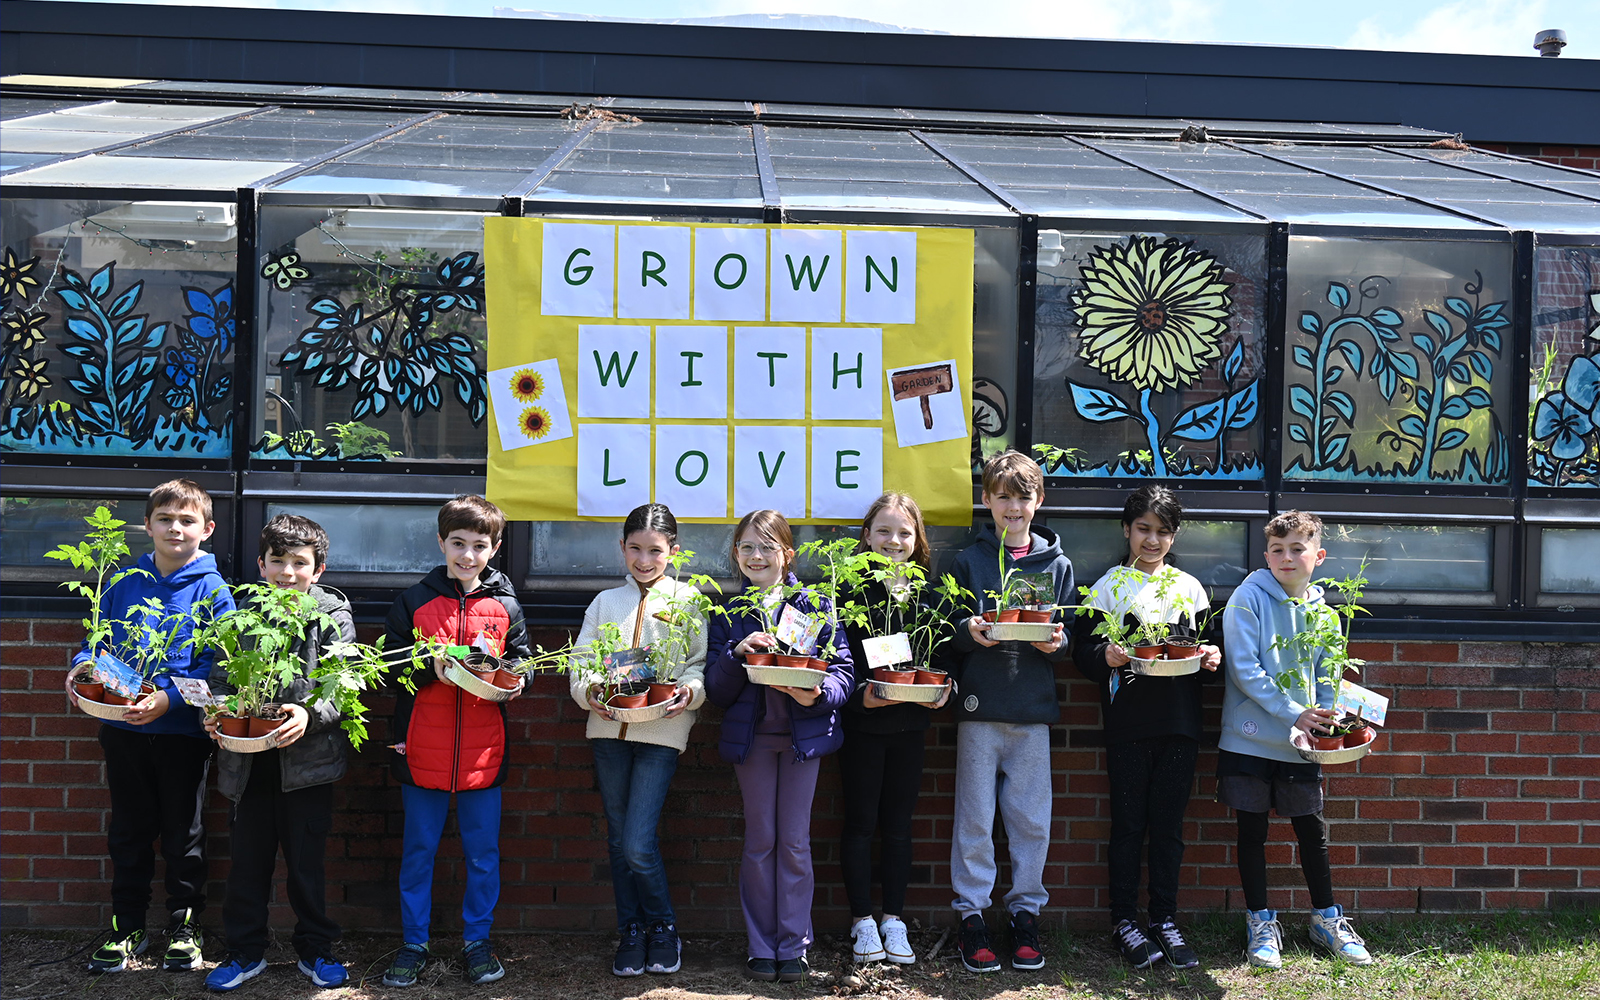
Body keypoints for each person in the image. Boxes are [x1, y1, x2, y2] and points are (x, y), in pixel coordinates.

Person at [67, 479, 235, 975]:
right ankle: (128, 924)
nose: (175, 528)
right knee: (129, 829)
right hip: (123, 729)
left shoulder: (214, 590)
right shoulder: (120, 582)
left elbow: (219, 668)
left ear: (207, 529)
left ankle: (185, 924)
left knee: (185, 832)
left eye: (186, 520)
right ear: (147, 525)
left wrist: (171, 697)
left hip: (182, 734)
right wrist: (82, 670)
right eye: (165, 519)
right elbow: (95, 644)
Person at [381, 495, 532, 988]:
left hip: (483, 751)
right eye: (458, 544)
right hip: (423, 748)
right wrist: (433, 669)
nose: (468, 555)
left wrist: (515, 679)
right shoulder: (413, 601)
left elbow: (523, 662)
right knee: (418, 851)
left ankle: (477, 941)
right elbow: (389, 669)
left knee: (483, 854)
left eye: (480, 546)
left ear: (497, 548)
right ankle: (412, 943)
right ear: (441, 542)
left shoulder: (505, 604)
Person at [202, 515, 355, 992]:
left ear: (319, 568)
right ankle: (244, 953)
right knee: (246, 863)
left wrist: (309, 714)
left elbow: (344, 685)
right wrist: (215, 712)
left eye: (299, 563)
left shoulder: (333, 614)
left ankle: (316, 950)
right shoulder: (241, 611)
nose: (288, 572)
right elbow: (221, 680)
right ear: (260, 564)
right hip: (247, 761)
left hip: (308, 766)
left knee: (307, 865)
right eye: (277, 561)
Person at [1072, 485, 1221, 970]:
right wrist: (1105, 655)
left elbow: (1207, 646)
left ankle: (1164, 917)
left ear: (1174, 537)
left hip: (1180, 724)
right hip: (1128, 724)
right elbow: (1083, 652)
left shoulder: (1190, 588)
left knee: (1168, 827)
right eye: (1143, 529)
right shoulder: (1108, 587)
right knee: (1129, 824)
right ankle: (1123, 919)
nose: (1151, 540)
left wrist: (1213, 655)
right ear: (1126, 530)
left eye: (1162, 532)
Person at [1219, 510, 1373, 969]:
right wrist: (1295, 713)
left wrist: (1329, 720)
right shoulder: (1247, 599)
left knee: (1311, 827)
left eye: (1298, 548)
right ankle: (1260, 922)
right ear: (1266, 556)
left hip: (1303, 742)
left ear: (1318, 555)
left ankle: (1327, 918)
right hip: (1248, 740)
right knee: (1252, 831)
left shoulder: (1325, 614)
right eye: (1278, 550)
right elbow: (1245, 669)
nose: (1288, 557)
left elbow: (1328, 674)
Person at [704, 510, 853, 984]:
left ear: (788, 553)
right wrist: (736, 652)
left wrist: (818, 693)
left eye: (767, 546)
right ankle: (760, 946)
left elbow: (843, 672)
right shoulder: (728, 612)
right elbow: (717, 690)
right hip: (753, 745)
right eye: (747, 547)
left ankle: (794, 946)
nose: (756, 555)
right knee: (760, 841)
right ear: (736, 555)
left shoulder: (815, 604)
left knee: (793, 842)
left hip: (799, 742)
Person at [947, 450, 1073, 974]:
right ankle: (972, 917)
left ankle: (1025, 914)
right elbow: (950, 629)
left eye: (1023, 497)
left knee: (1030, 820)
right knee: (974, 819)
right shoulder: (968, 560)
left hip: (1032, 714)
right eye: (1003, 497)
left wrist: (1056, 645)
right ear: (986, 501)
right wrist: (969, 634)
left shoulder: (1057, 565)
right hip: (979, 709)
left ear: (1038, 502)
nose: (1013, 507)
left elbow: (1065, 636)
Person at [569, 503, 707, 978]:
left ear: (674, 551)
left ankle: (664, 926)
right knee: (616, 839)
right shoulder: (605, 602)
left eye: (655, 550)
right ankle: (631, 930)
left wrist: (689, 693)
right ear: (622, 548)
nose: (644, 560)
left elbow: (696, 666)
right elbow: (582, 660)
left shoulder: (690, 601)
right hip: (608, 730)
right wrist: (590, 693)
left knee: (636, 844)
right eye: (635, 549)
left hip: (661, 733)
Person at [838, 492, 950, 966]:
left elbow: (941, 653)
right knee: (861, 823)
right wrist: (863, 692)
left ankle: (894, 919)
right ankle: (862, 921)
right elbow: (839, 656)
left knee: (900, 826)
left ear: (917, 540)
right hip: (865, 724)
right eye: (883, 531)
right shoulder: (850, 592)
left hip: (910, 723)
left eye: (904, 532)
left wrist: (945, 685)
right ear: (866, 536)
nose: (893, 541)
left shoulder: (929, 593)